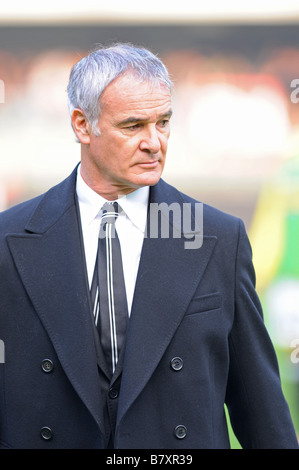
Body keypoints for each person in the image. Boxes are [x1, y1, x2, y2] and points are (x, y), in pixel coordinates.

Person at [0, 43, 297, 450]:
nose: (154, 142)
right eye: (133, 125)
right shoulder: (8, 240)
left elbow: (262, 413)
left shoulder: (219, 239)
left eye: (163, 122)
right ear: (82, 125)